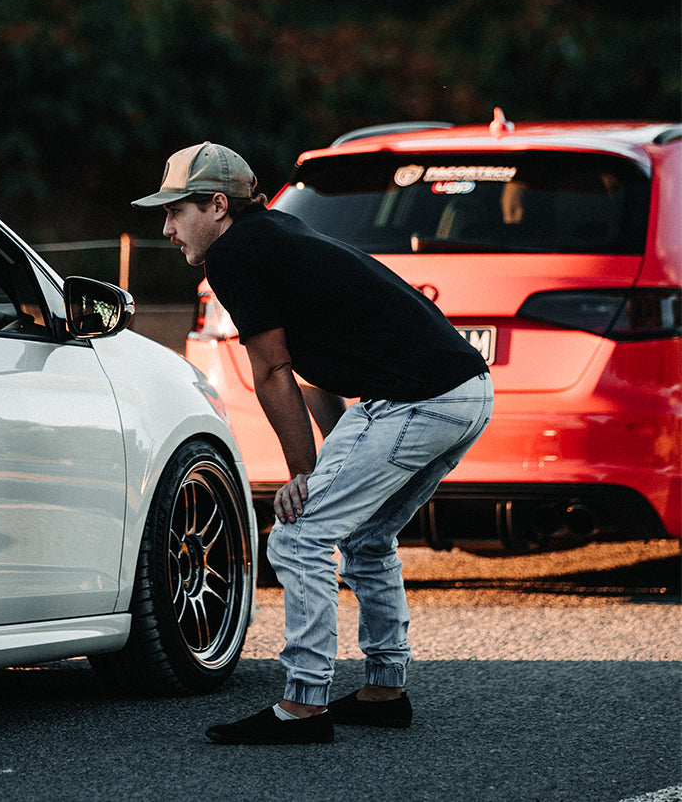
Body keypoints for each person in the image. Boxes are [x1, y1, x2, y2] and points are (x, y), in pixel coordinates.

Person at [133, 142, 493, 745]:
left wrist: (305, 477)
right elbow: (308, 369)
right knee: (365, 533)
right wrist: (326, 470)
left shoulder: (236, 254)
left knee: (299, 534)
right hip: (463, 390)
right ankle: (384, 689)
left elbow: (271, 371)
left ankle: (304, 706)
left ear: (217, 206)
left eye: (176, 211)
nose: (167, 228)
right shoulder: (275, 236)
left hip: (418, 397)